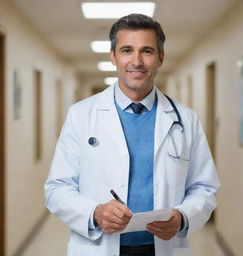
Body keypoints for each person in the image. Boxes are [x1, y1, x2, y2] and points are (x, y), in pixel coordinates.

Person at [45, 14, 219, 256]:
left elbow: (204, 188)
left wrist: (182, 217)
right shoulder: (81, 115)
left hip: (163, 248)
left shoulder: (186, 119)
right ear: (113, 56)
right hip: (99, 246)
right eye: (127, 50)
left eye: (146, 51)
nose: (136, 61)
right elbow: (57, 188)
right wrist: (95, 212)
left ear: (160, 57)